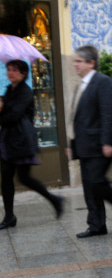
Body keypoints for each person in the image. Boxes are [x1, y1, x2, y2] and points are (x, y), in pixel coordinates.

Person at [68, 45, 112, 238]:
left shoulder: (103, 82)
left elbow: (109, 113)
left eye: (78, 61)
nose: (75, 65)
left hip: (100, 145)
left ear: (91, 63)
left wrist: (107, 142)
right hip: (85, 146)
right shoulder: (80, 86)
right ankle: (96, 225)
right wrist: (72, 146)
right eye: (75, 61)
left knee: (96, 181)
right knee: (90, 186)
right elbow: (77, 118)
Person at [0, 59, 64, 229]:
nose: (10, 72)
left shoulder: (25, 91)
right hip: (8, 140)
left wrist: (2, 109)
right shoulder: (9, 90)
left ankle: (55, 200)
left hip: (22, 141)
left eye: (14, 69)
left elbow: (13, 115)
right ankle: (9, 216)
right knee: (6, 178)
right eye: (9, 69)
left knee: (24, 178)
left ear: (23, 73)